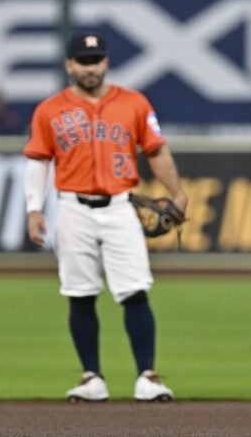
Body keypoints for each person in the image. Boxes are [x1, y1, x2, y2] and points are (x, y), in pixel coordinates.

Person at [24, 32, 187, 402]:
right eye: (83, 60)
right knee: (79, 294)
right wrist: (34, 207)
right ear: (69, 65)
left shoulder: (133, 103)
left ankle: (147, 375)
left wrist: (177, 193)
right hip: (72, 208)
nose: (90, 67)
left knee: (134, 291)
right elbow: (38, 159)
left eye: (95, 60)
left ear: (106, 62)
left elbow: (157, 151)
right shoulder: (49, 110)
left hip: (119, 206)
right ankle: (91, 377)